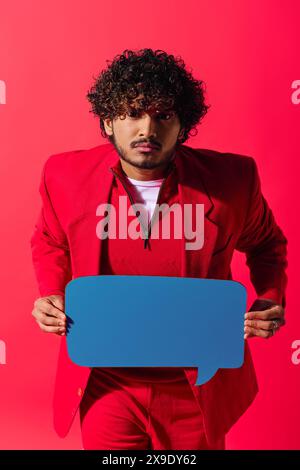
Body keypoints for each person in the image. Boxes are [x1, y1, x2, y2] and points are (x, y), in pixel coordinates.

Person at [30, 48, 288, 450]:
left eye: (163, 115)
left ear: (183, 125)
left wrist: (269, 297)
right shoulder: (63, 175)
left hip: (197, 381)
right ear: (107, 121)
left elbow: (267, 244)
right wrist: (50, 291)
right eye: (132, 113)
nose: (146, 128)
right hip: (106, 380)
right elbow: (50, 239)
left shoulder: (233, 180)